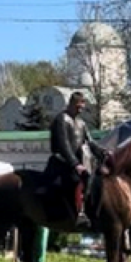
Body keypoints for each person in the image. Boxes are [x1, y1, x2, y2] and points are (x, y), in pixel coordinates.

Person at [44, 91, 102, 224]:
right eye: (78, 106)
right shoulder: (61, 119)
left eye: (82, 107)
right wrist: (75, 164)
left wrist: (103, 152)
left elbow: (89, 141)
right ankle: (77, 212)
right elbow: (63, 145)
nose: (80, 110)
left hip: (76, 162)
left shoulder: (81, 123)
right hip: (61, 161)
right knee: (76, 180)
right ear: (71, 104)